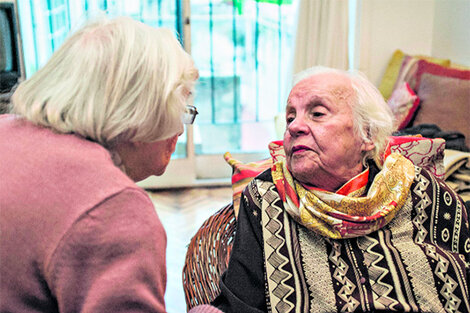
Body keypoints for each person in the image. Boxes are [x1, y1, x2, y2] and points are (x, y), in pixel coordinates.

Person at [191, 66, 470, 313]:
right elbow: (241, 300)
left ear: (367, 135)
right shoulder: (266, 198)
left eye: (317, 113)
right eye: (290, 118)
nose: (295, 126)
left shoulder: (420, 189)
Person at [0, 16, 198, 312]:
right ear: (139, 114)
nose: (181, 130)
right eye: (181, 109)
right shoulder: (111, 208)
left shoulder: (6, 129)